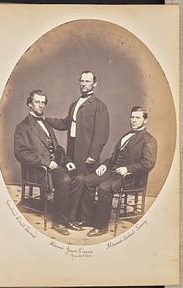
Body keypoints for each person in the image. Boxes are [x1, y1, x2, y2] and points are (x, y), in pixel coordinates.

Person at [14, 89, 84, 236]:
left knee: (79, 178)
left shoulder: (47, 124)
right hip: (38, 170)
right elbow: (20, 153)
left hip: (55, 167)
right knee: (64, 180)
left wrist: (67, 161)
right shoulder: (23, 126)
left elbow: (57, 148)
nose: (40, 105)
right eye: (37, 102)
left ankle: (69, 217)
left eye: (43, 102)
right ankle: (58, 221)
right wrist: (46, 162)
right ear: (29, 104)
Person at [79, 106, 157, 237]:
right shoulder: (126, 135)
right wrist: (104, 165)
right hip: (113, 172)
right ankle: (88, 218)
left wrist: (127, 169)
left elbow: (148, 163)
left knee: (104, 188)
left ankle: (101, 226)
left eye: (137, 117)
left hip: (130, 178)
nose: (134, 120)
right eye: (132, 117)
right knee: (87, 181)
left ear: (145, 120)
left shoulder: (149, 140)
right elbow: (114, 158)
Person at [45, 70, 110, 176]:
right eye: (82, 81)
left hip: (87, 152)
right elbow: (65, 124)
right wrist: (45, 119)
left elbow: (101, 135)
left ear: (94, 84)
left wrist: (93, 155)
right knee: (72, 180)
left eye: (87, 81)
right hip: (72, 149)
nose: (84, 84)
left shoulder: (99, 106)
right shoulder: (74, 104)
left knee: (84, 182)